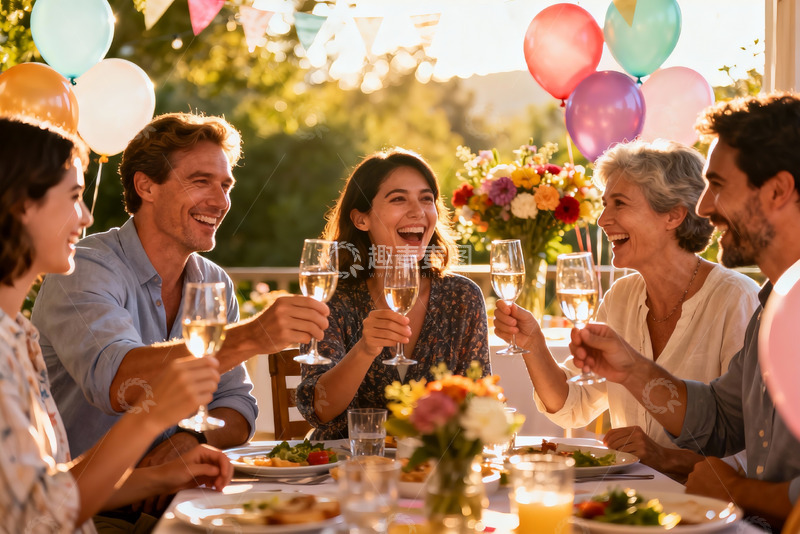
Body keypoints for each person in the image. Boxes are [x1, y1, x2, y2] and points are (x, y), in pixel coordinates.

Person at [30, 113, 329, 516]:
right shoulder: (84, 268)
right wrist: (253, 336)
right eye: (200, 181)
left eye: (225, 185)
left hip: (181, 500)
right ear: (146, 186)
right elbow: (121, 381)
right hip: (90, 511)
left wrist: (189, 436)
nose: (220, 201)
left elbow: (237, 408)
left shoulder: (214, 282)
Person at [568, 93, 800, 529]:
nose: (703, 207)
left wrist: (741, 491)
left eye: (718, 185)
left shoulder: (749, 298)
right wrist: (632, 370)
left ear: (777, 190)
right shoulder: (773, 305)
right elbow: (722, 419)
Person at [0, 117, 233, 532]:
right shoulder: (10, 342)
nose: (86, 216)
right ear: (22, 205)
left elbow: (50, 490)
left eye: (226, 185)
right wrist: (149, 416)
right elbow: (37, 517)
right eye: (74, 196)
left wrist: (162, 476)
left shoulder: (19, 337)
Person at [494, 139, 759, 479]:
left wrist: (664, 457)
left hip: (704, 512)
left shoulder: (735, 299)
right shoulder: (621, 297)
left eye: (619, 204)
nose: (603, 219)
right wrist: (533, 343)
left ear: (674, 215)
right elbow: (572, 405)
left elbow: (752, 456)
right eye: (605, 204)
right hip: (629, 500)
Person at [296, 148, 490, 439]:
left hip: (434, 468)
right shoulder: (333, 298)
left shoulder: (462, 297)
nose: (418, 211)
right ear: (362, 220)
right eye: (399, 199)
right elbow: (318, 411)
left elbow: (480, 403)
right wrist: (364, 349)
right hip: (345, 472)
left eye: (427, 199)